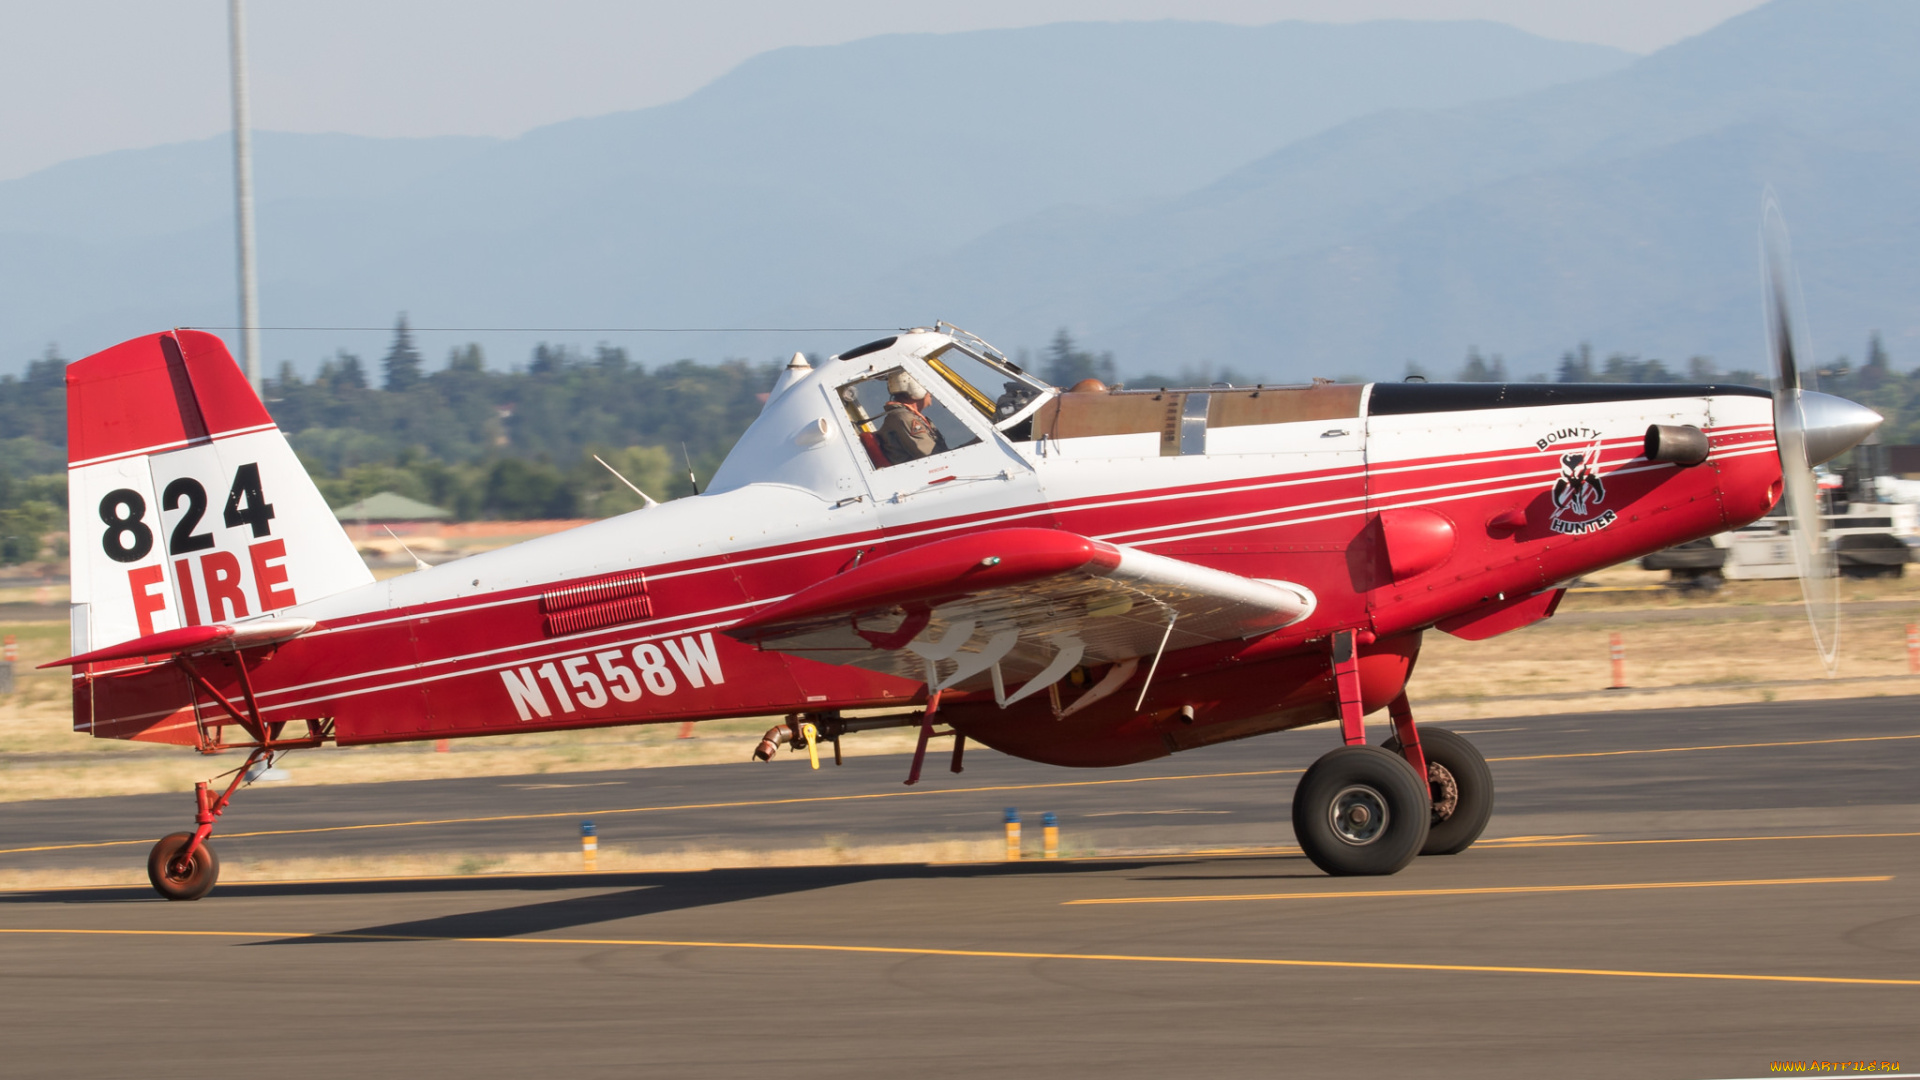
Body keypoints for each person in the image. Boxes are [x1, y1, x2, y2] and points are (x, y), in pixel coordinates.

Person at [876, 370, 948, 463]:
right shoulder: (904, 418)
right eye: (928, 388)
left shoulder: (906, 416)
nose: (931, 394)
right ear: (917, 389)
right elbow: (935, 458)